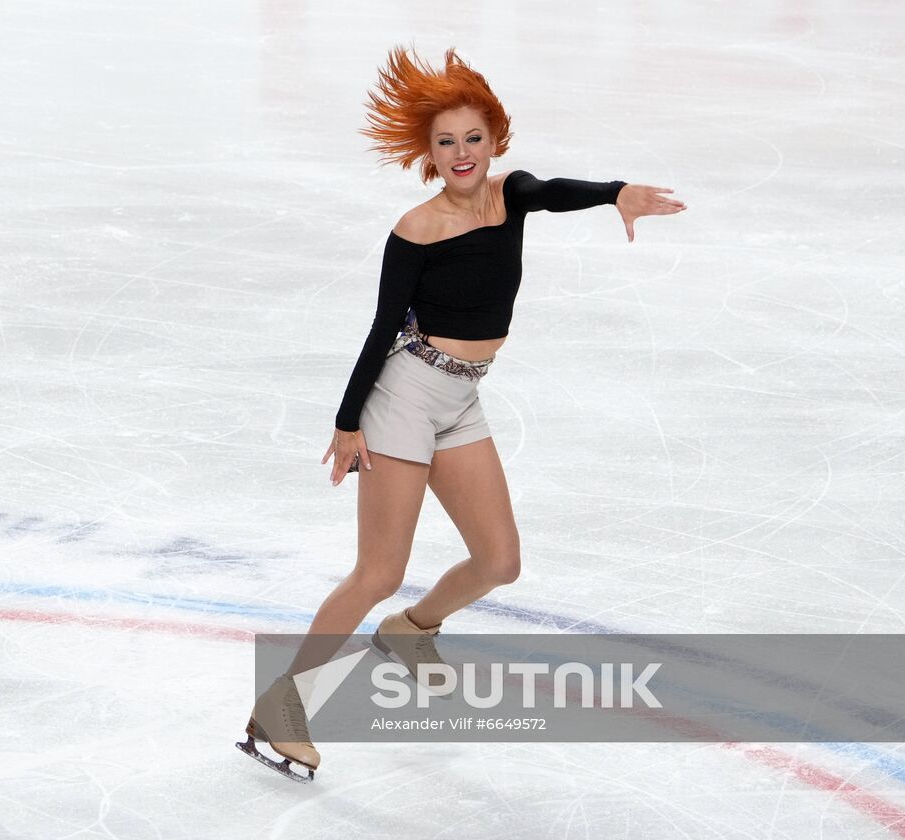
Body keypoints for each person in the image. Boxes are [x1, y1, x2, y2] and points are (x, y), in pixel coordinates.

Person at [238, 47, 685, 782]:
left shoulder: (513, 195)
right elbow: (381, 328)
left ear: (494, 138)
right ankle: (280, 706)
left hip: (461, 397)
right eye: (445, 142)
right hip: (404, 397)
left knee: (499, 562)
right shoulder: (417, 228)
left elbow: (557, 188)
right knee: (378, 571)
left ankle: (410, 633)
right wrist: (349, 424)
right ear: (428, 152)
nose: (461, 154)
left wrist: (618, 192)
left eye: (472, 138)